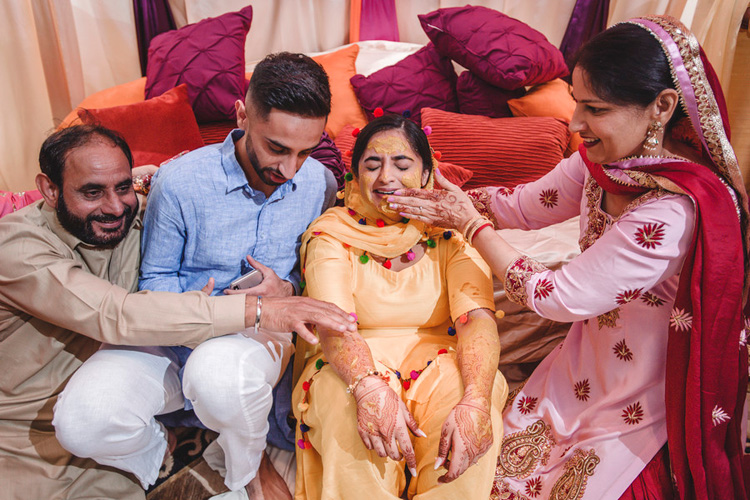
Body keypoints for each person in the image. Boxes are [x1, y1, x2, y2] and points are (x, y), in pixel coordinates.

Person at [388, 15, 749, 500]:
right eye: (576, 102)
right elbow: (524, 206)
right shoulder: (606, 163)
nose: (575, 124)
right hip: (583, 365)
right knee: (482, 475)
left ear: (662, 106)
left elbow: (555, 296)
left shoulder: (672, 212)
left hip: (646, 394)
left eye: (595, 109)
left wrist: (470, 225)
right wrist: (448, 198)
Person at [0, 124, 356, 500]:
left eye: (122, 187)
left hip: (107, 405)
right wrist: (259, 310)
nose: (114, 206)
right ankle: (164, 447)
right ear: (49, 189)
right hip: (21, 430)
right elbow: (115, 313)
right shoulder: (18, 247)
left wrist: (285, 287)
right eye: (92, 192)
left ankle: (188, 452)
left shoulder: (130, 219)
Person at [51, 52, 338, 500]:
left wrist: (288, 288)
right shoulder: (180, 180)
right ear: (242, 115)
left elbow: (316, 270)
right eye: (277, 148)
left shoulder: (320, 184)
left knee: (219, 380)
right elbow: (156, 277)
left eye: (305, 151)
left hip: (257, 334)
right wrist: (199, 313)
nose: (289, 170)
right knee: (82, 421)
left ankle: (247, 466)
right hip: (169, 329)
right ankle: (155, 449)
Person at [291, 114, 509, 500]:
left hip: (441, 362)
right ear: (355, 178)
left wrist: (475, 398)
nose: (385, 177)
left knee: (475, 409)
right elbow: (334, 324)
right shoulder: (331, 235)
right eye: (372, 165)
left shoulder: (451, 233)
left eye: (402, 164)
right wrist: (369, 388)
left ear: (427, 173)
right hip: (351, 366)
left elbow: (476, 318)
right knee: (348, 421)